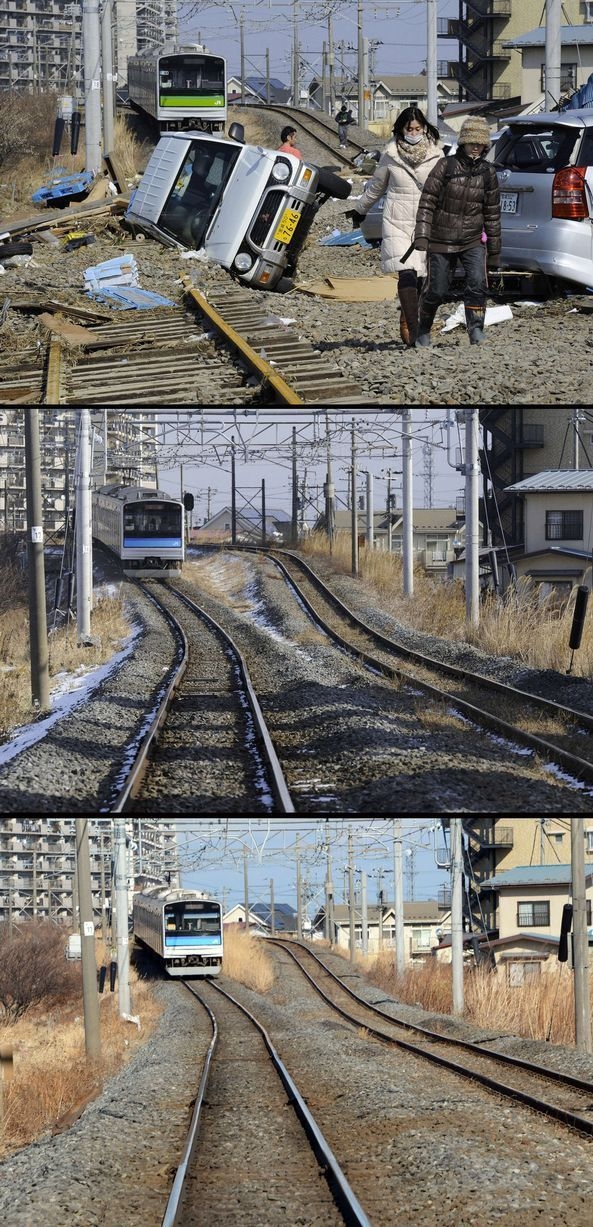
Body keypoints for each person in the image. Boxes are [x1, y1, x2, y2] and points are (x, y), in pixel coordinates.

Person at [343, 106, 442, 348]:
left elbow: (443, 189)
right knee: (405, 271)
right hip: (396, 219)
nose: (414, 132)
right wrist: (360, 209)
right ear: (401, 129)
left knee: (421, 276)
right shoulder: (390, 155)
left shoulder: (437, 155)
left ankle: (408, 314)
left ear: (425, 129)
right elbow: (377, 186)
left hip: (424, 220)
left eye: (418, 128)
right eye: (410, 129)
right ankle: (414, 327)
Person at [413, 114, 501, 346]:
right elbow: (427, 201)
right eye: (472, 143)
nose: (476, 148)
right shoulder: (445, 166)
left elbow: (492, 212)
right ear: (463, 143)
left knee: (478, 283)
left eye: (481, 144)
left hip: (473, 240)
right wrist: (422, 234)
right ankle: (423, 329)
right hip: (441, 239)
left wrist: (494, 250)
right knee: (437, 290)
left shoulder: (487, 172)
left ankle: (475, 329)